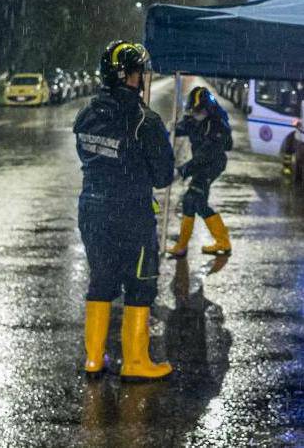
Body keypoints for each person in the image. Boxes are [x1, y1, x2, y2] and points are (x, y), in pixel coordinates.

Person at [74, 40, 175, 381]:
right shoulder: (144, 120)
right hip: (131, 213)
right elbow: (163, 176)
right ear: (131, 77)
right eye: (139, 73)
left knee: (100, 279)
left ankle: (93, 358)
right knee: (140, 283)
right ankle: (135, 362)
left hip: (92, 209)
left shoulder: (86, 113)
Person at [167, 86, 233, 257]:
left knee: (192, 199)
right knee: (194, 203)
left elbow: (204, 156)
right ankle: (219, 242)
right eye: (194, 110)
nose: (195, 114)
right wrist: (171, 128)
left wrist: (182, 171)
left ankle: (218, 243)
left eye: (199, 110)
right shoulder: (195, 119)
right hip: (200, 166)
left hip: (212, 165)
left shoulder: (217, 125)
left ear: (207, 109)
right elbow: (184, 127)